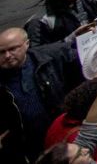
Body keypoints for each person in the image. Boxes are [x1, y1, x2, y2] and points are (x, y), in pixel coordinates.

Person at [0, 25, 83, 159]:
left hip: (63, 133)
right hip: (28, 147)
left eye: (12, 49)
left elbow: (80, 64)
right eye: (1, 52)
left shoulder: (49, 59)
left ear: (26, 44)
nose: (7, 56)